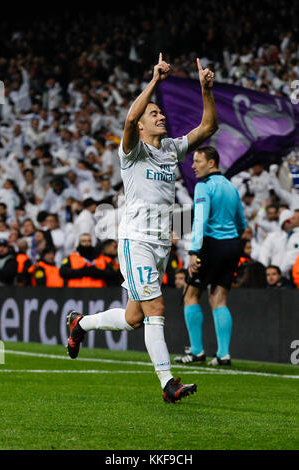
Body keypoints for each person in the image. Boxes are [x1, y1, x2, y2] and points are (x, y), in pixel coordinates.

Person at [66, 53, 218, 403]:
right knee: (156, 310)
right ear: (142, 126)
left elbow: (208, 128)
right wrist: (154, 81)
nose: (161, 116)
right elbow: (131, 116)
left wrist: (205, 90)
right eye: (155, 114)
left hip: (161, 244)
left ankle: (80, 323)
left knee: (135, 317)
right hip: (137, 241)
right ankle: (167, 383)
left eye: (161, 112)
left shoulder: (171, 149)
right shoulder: (131, 152)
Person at [175, 146, 246, 366]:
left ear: (211, 163)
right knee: (219, 298)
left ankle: (196, 351)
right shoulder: (231, 187)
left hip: (211, 245)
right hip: (233, 246)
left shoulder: (203, 187)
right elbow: (241, 222)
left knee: (190, 295)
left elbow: (200, 221)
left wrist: (194, 251)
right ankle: (223, 354)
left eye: (198, 161)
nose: (193, 166)